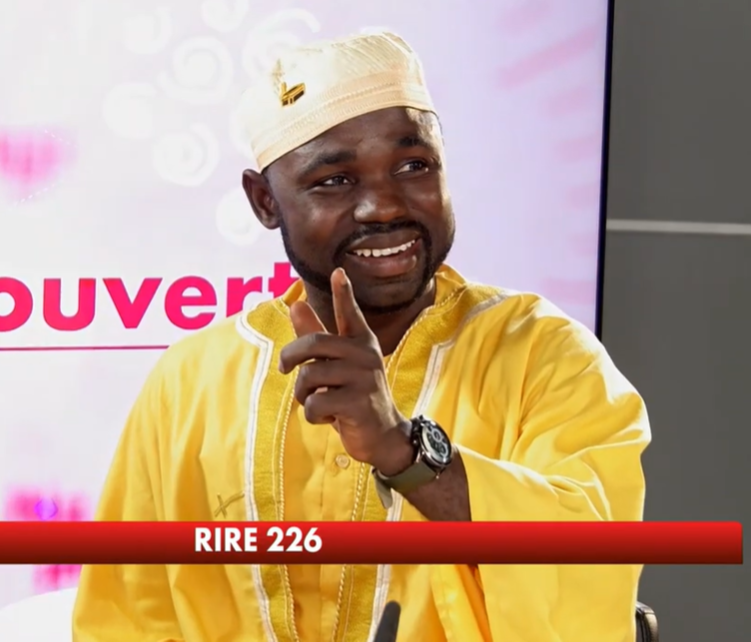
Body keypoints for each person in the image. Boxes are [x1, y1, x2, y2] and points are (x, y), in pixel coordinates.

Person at [73, 31, 650, 642]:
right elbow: (125, 618)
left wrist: (403, 451)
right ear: (265, 201)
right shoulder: (193, 379)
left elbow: (590, 575)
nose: (384, 206)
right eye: (335, 180)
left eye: (414, 166)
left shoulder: (545, 355)